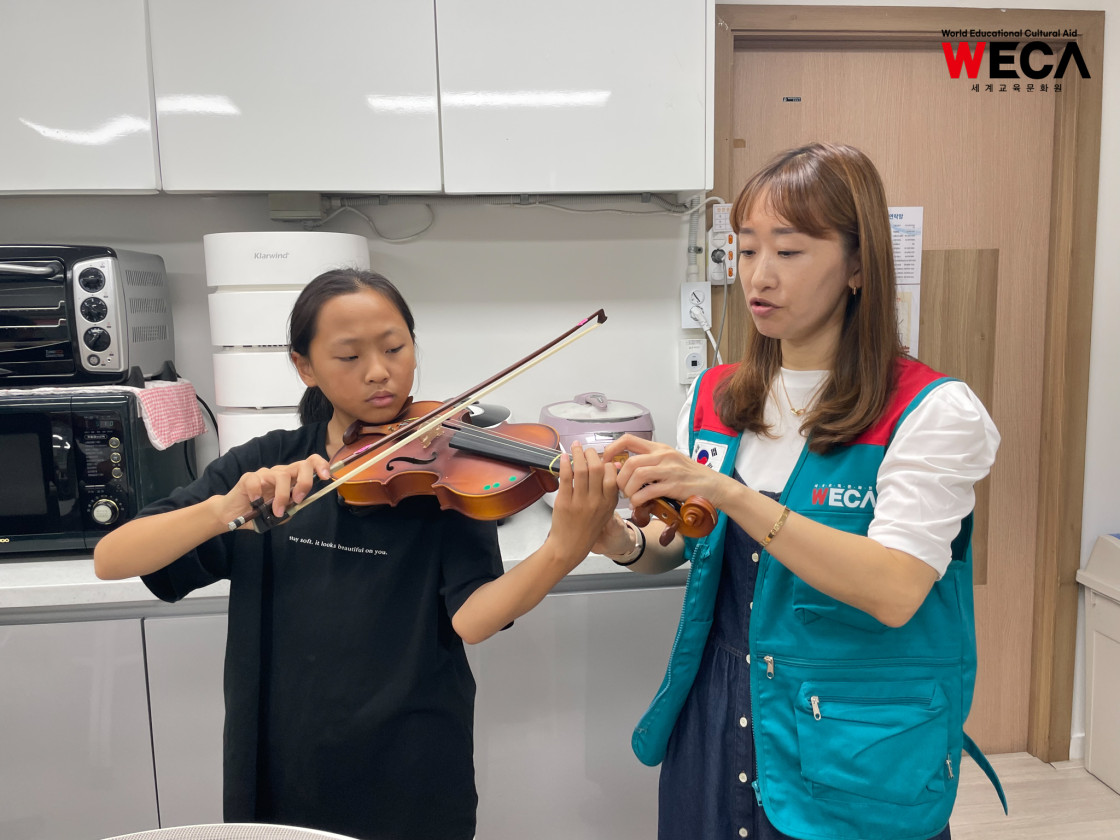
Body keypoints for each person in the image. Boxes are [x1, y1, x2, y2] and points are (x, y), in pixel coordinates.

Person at [94, 269, 618, 840]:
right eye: (349, 356)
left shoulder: (446, 465)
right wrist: (225, 508)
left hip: (412, 764)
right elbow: (113, 558)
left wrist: (563, 548)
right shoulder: (265, 468)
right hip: (280, 761)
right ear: (305, 367)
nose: (378, 372)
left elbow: (473, 619)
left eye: (395, 348)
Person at [593, 143, 1005, 840]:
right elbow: (687, 544)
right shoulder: (716, 395)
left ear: (857, 266)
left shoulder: (934, 412)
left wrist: (731, 494)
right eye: (747, 249)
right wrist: (617, 538)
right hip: (718, 713)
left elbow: (895, 588)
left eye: (788, 251)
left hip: (852, 742)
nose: (759, 275)